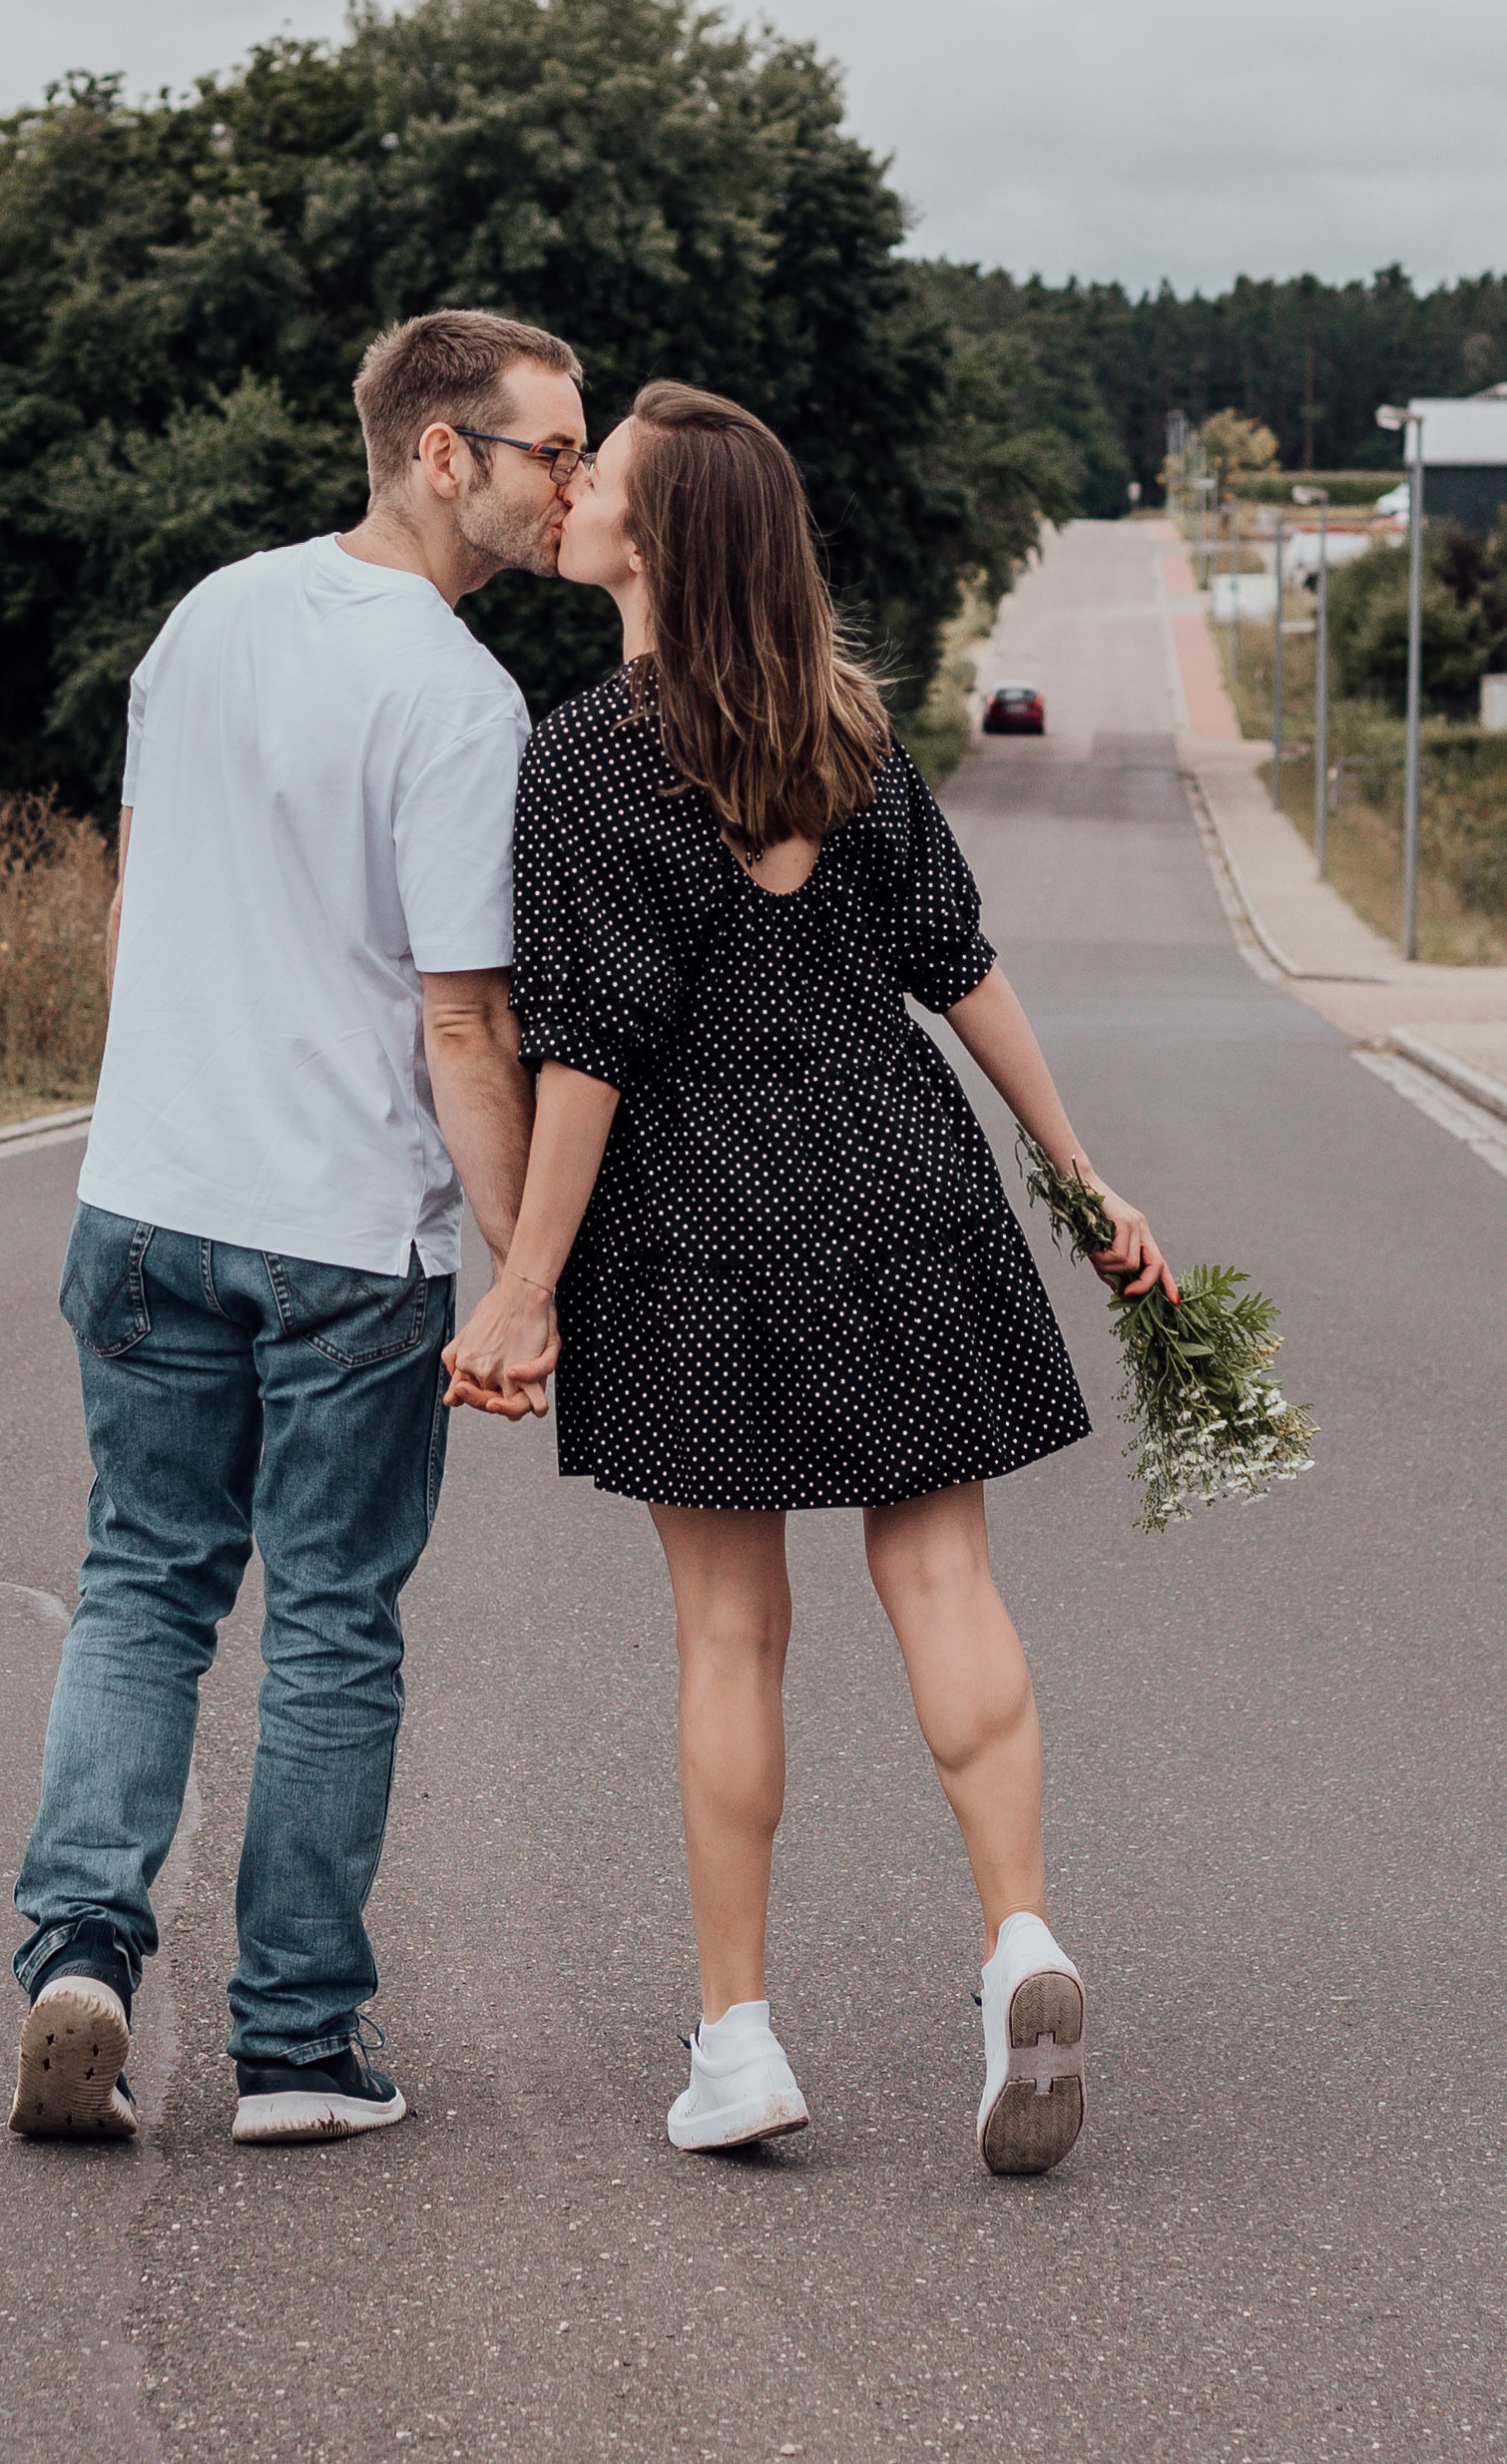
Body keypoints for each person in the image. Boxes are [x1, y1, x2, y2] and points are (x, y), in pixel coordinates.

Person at [443, 382, 1177, 2178]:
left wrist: (526, 1280)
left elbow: (590, 1052)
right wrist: (1079, 1176)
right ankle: (1018, 1936)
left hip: (698, 1223)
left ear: (658, 535)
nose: (570, 488)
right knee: (941, 1573)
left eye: (594, 472)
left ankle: (742, 2039)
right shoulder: (845, 731)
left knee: (727, 1630)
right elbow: (959, 964)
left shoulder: (584, 756)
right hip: (902, 1182)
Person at [8, 309, 585, 2148]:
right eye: (546, 450)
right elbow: (464, 1020)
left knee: (142, 1582)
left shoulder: (205, 615)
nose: (570, 482)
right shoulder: (457, 697)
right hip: (346, 1236)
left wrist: (142, 1122)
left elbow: (140, 898)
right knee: (330, 1620)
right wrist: (520, 1274)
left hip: (148, 1197)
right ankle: (298, 2046)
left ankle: (80, 1957)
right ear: (442, 452)